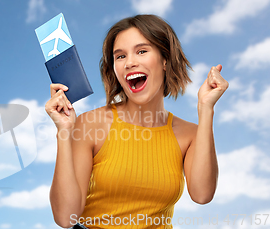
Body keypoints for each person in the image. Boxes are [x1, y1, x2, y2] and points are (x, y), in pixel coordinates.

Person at [45, 14, 228, 229]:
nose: (130, 62)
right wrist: (64, 132)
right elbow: (66, 217)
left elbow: (202, 195)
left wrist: (205, 109)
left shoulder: (189, 134)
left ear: (165, 60)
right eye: (120, 56)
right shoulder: (91, 125)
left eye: (141, 51)